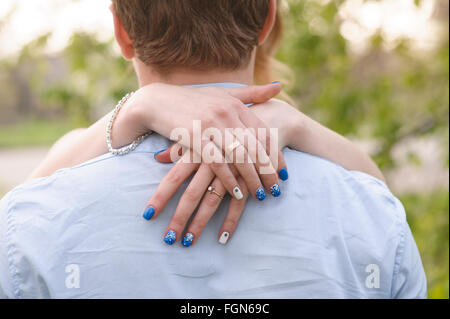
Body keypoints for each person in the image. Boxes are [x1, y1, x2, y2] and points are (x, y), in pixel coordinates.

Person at [0, 0, 426, 298]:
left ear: (121, 32)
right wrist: (295, 123)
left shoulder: (32, 220)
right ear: (267, 20)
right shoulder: (371, 210)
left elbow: (18, 217)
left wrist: (132, 109)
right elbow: (377, 192)